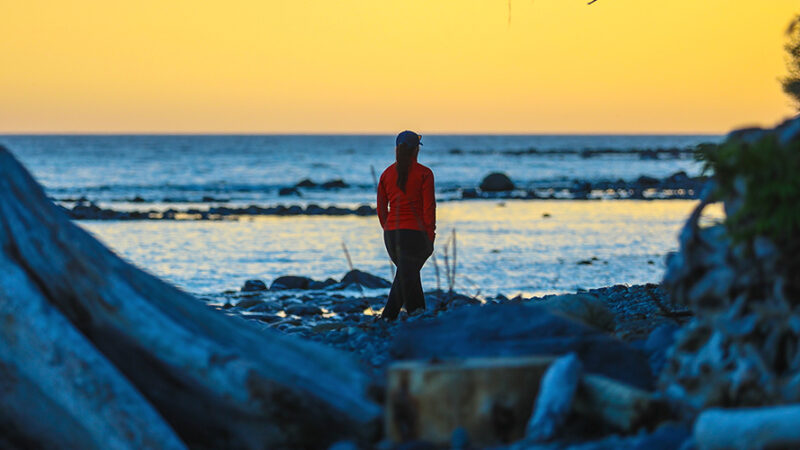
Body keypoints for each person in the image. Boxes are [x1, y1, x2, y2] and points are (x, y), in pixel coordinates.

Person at [377, 130, 436, 320]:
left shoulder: (386, 174)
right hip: (415, 235)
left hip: (392, 236)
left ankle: (417, 313)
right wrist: (430, 235)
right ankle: (388, 317)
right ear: (416, 150)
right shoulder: (425, 174)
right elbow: (429, 208)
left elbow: (381, 208)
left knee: (408, 275)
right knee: (406, 276)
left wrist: (388, 228)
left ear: (397, 149)